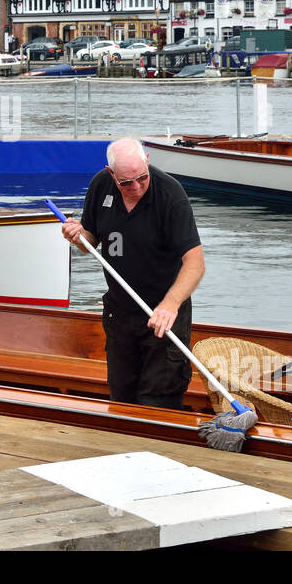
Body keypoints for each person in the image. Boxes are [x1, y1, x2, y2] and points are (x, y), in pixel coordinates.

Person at [59, 138, 205, 410]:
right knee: (121, 396)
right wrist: (76, 236)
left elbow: (195, 263)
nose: (136, 187)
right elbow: (90, 241)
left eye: (142, 177)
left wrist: (169, 306)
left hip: (164, 315)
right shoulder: (100, 186)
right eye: (126, 182)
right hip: (120, 314)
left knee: (159, 401)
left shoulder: (171, 195)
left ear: (147, 162)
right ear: (111, 173)